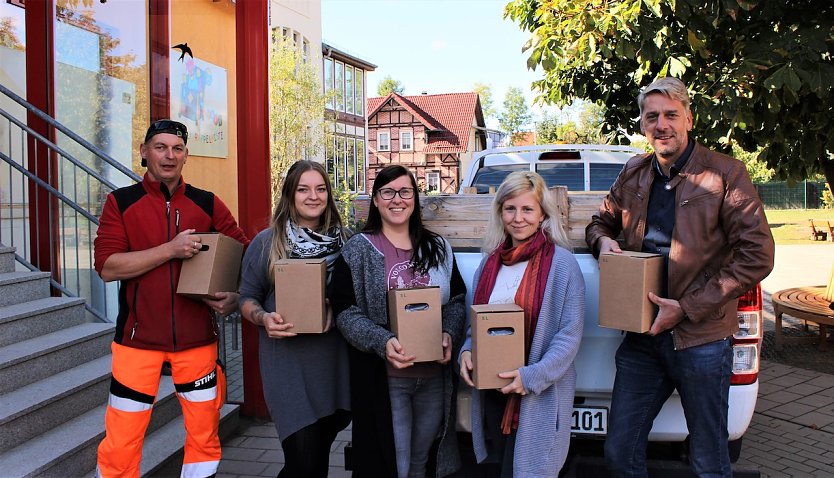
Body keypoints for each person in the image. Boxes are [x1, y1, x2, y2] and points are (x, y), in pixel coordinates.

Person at [585, 77, 775, 477]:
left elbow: (758, 254)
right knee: (620, 452)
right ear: (642, 125)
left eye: (671, 114)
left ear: (689, 118)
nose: (662, 124)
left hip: (701, 340)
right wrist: (602, 241)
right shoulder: (634, 172)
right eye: (652, 116)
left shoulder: (725, 174)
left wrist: (686, 307)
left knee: (708, 460)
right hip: (641, 339)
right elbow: (599, 220)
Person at [93, 119, 249, 477]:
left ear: (186, 156)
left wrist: (235, 295)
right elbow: (108, 267)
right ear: (144, 153)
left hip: (198, 341)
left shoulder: (206, 203)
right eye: (160, 147)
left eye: (177, 149)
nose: (169, 155)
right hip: (137, 343)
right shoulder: (121, 202)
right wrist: (170, 250)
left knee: (204, 436)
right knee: (121, 441)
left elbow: (242, 253)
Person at [330, 165, 466, 477]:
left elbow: (457, 300)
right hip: (387, 378)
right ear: (376, 200)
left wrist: (449, 333)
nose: (397, 199)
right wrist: (382, 341)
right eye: (387, 192)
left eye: (405, 192)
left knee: (421, 463)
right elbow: (345, 312)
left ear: (415, 199)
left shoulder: (438, 247)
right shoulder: (359, 250)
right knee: (395, 465)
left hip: (433, 377)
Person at [458, 171, 585, 477]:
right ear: (500, 212)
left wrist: (529, 378)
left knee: (532, 470)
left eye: (527, 209)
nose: (518, 218)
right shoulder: (489, 264)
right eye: (510, 208)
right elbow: (475, 325)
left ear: (542, 214)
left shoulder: (563, 265)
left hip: (536, 394)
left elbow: (568, 338)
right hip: (494, 391)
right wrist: (465, 351)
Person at [238, 160, 351, 477]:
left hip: (334, 362)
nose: (313, 196)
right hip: (288, 364)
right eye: (303, 189)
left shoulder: (346, 242)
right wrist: (263, 318)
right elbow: (246, 298)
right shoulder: (267, 243)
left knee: (317, 457)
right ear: (290, 195)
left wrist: (335, 305)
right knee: (303, 458)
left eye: (320, 189)